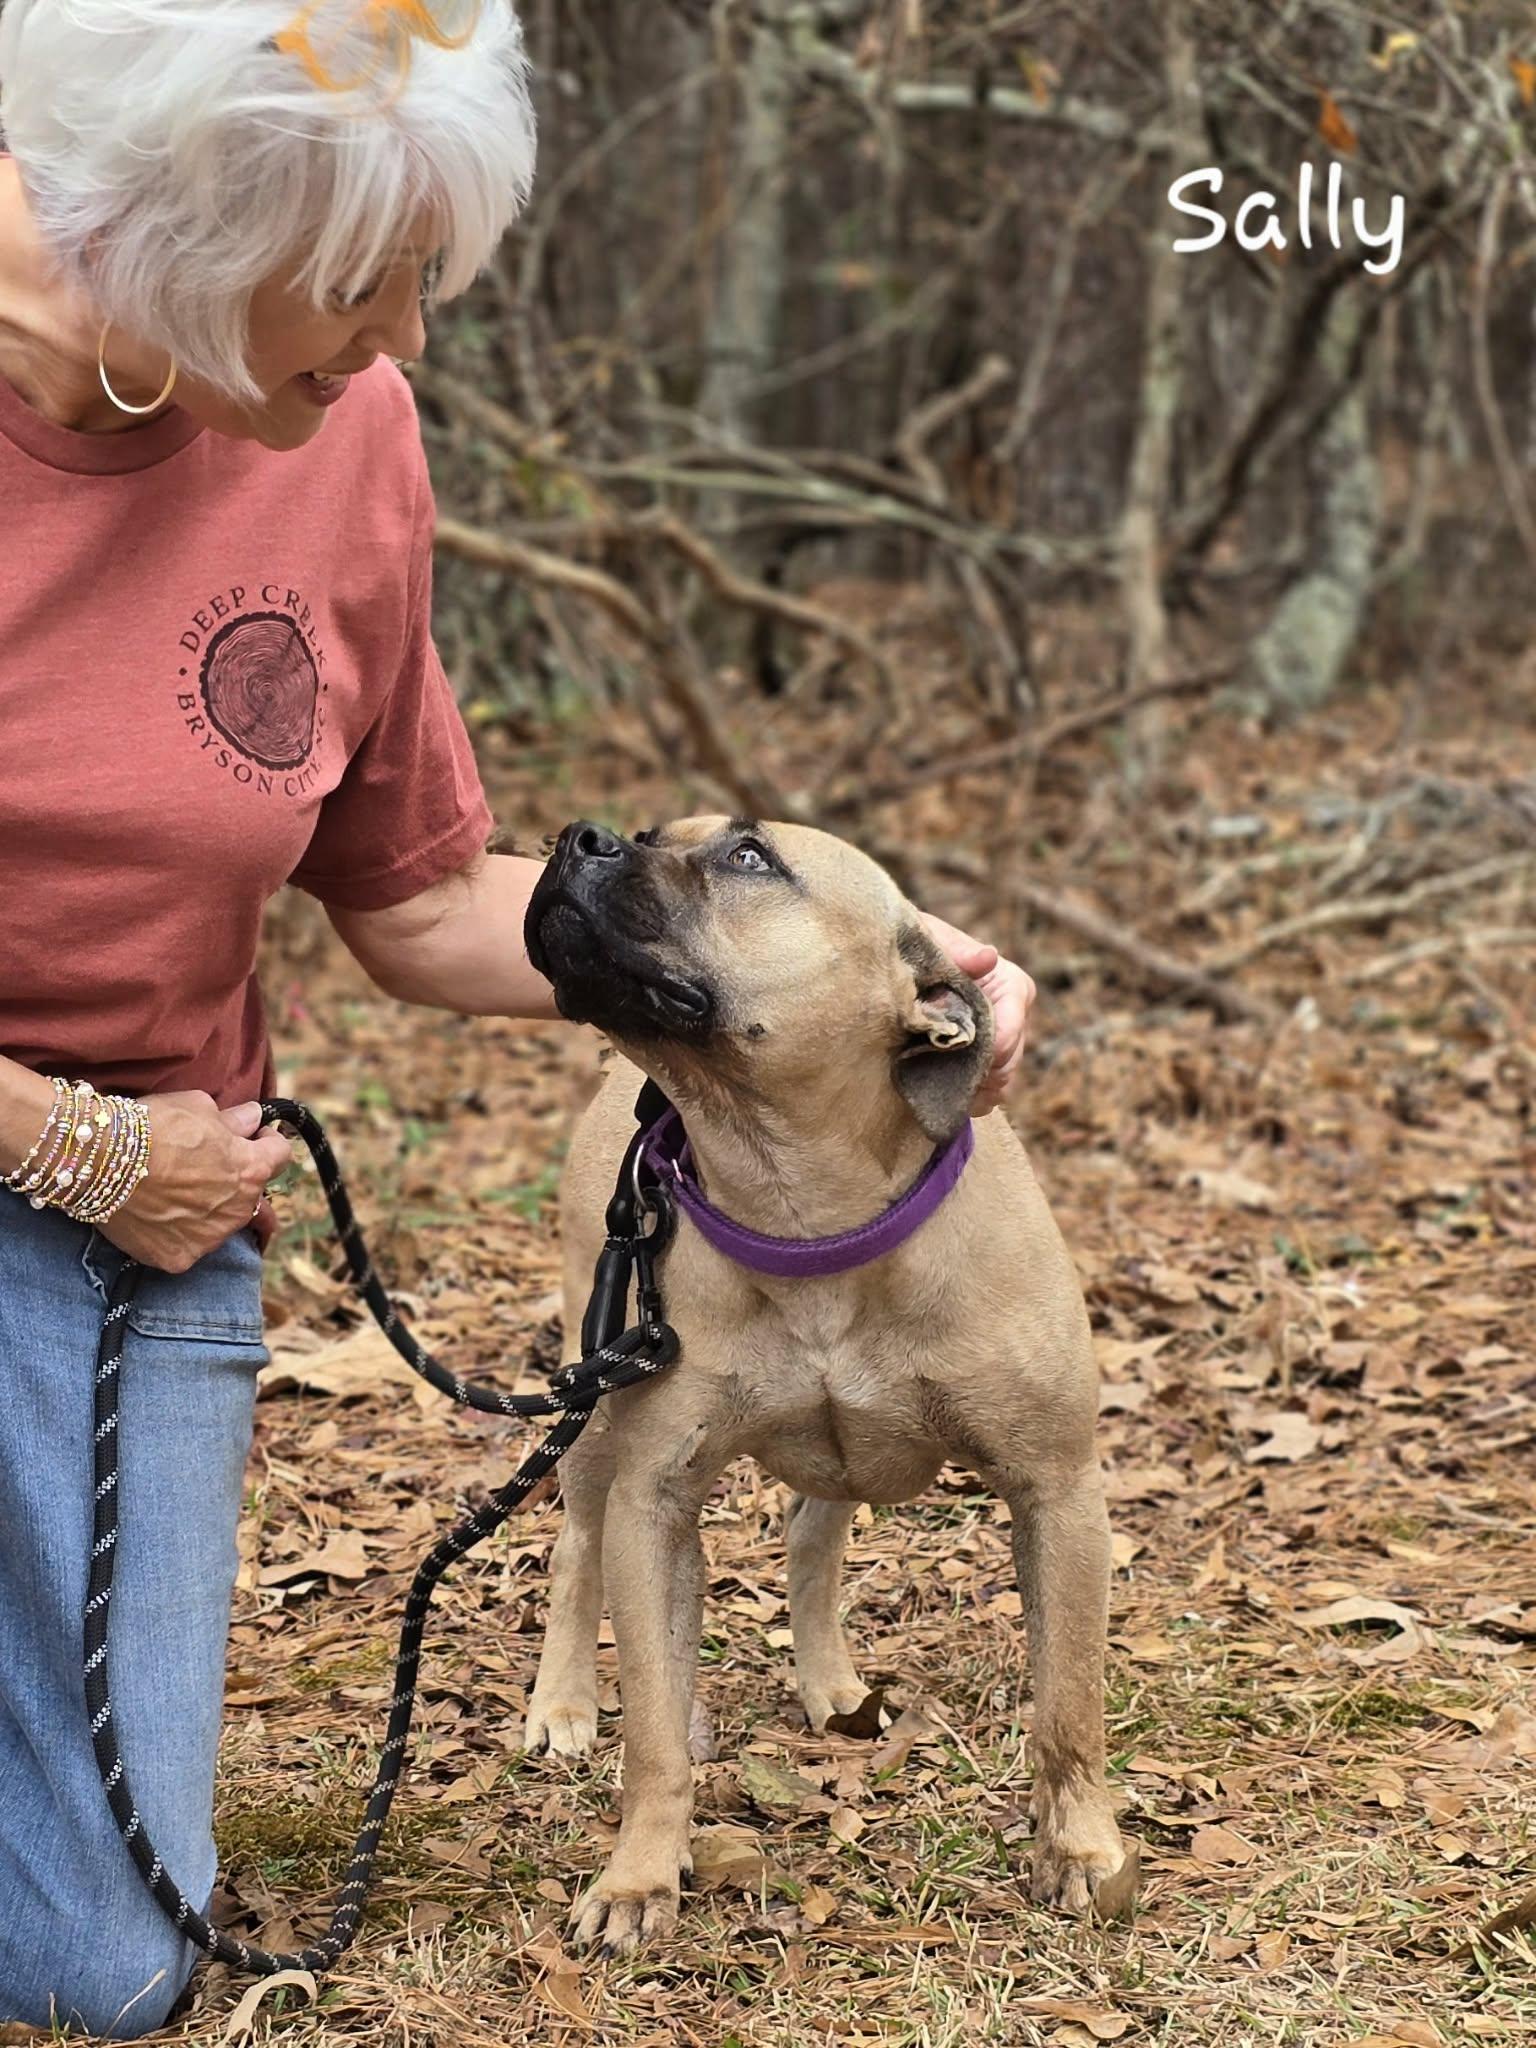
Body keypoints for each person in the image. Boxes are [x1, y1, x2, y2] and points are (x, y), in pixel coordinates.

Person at [0, 1, 1037, 2034]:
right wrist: (71, 1144)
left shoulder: (338, 435)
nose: (402, 336)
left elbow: (410, 899)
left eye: (430, 279)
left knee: (98, 1964)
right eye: (370, 279)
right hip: (74, 1159)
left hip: (160, 1218)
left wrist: (887, 953)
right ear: (197, 221)